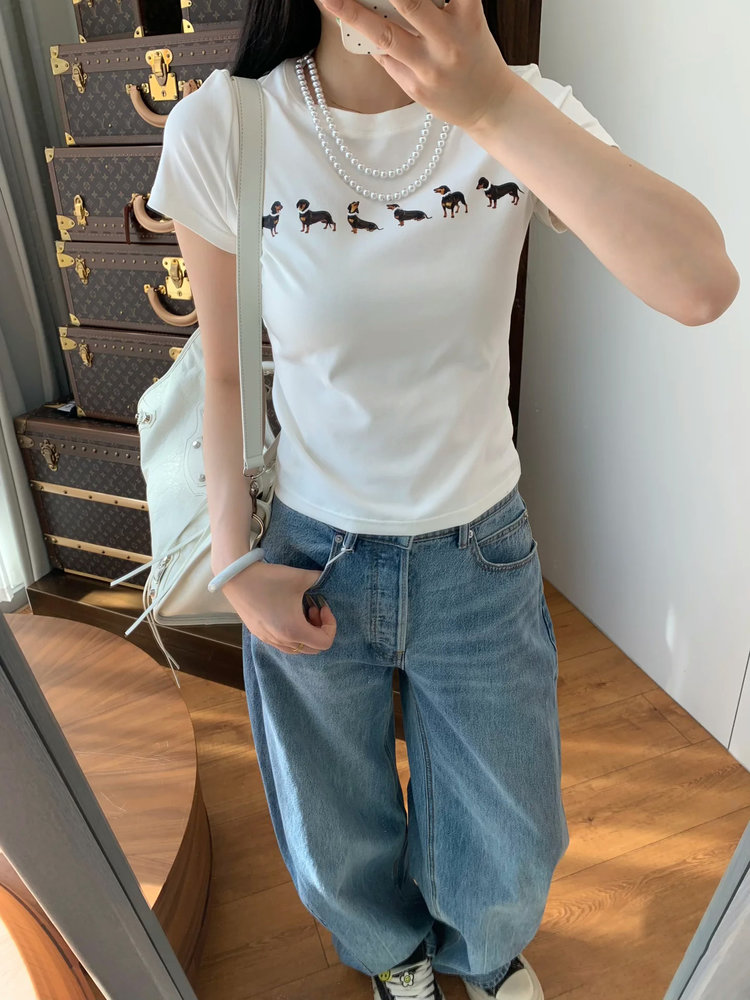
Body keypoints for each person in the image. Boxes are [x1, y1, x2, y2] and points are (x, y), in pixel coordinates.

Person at [147, 0, 739, 997]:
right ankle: (395, 960)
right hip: (308, 551)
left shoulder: (519, 108)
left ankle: (483, 957)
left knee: (512, 829)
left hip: (481, 552)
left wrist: (493, 102)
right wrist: (235, 563)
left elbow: (702, 284)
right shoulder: (227, 124)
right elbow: (225, 372)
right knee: (331, 824)